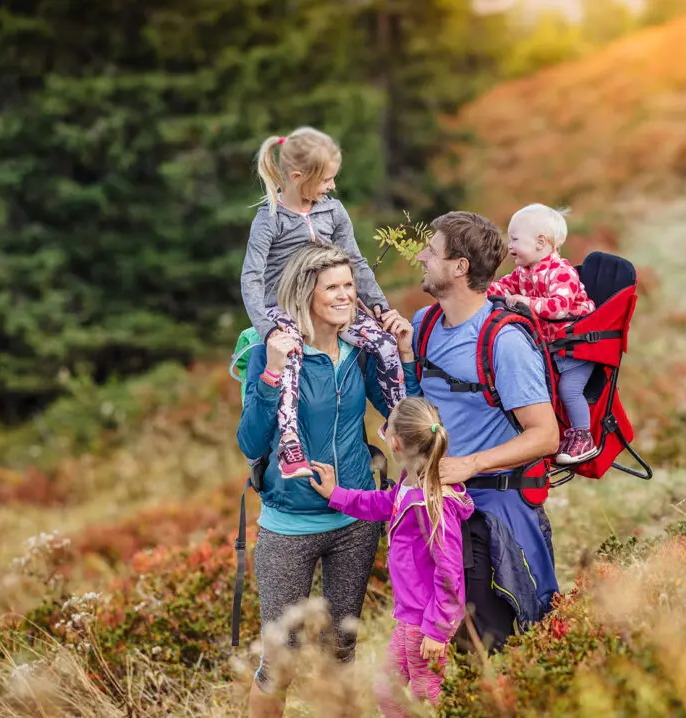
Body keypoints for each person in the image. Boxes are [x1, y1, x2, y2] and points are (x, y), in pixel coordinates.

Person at [236, 245, 421, 718]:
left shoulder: (361, 350)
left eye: (349, 286)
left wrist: (404, 355)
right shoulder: (270, 352)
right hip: (290, 523)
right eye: (333, 288)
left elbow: (404, 416)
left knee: (342, 650)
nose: (345, 296)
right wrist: (273, 373)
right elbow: (251, 441)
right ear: (305, 294)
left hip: (355, 517)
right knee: (280, 661)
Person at [410, 211, 562, 653]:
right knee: (455, 648)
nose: (421, 256)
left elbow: (545, 436)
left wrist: (470, 464)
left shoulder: (505, 342)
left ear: (459, 267)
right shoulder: (424, 325)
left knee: (494, 650)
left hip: (494, 516)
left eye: (432, 251)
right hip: (439, 514)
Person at [240, 126, 404, 480]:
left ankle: (400, 421)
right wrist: (267, 330)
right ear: (299, 177)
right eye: (326, 179)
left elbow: (357, 261)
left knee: (385, 345)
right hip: (283, 308)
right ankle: (289, 444)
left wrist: (380, 307)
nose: (332, 186)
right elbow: (251, 277)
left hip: (332, 301)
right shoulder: (270, 219)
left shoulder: (333, 211)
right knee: (292, 359)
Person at [309, 397, 474, 716]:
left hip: (424, 623)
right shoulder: (408, 486)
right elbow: (383, 503)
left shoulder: (430, 502)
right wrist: (337, 496)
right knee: (389, 693)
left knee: (426, 693)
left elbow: (450, 571)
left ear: (395, 443)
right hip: (409, 617)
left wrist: (437, 629)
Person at [488, 203, 599, 465]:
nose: (509, 245)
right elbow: (502, 287)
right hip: (552, 349)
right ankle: (541, 438)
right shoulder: (523, 273)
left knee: (569, 389)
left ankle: (584, 436)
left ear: (540, 242)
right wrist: (480, 291)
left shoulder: (561, 272)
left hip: (577, 349)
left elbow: (560, 307)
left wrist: (526, 302)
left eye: (515, 239)